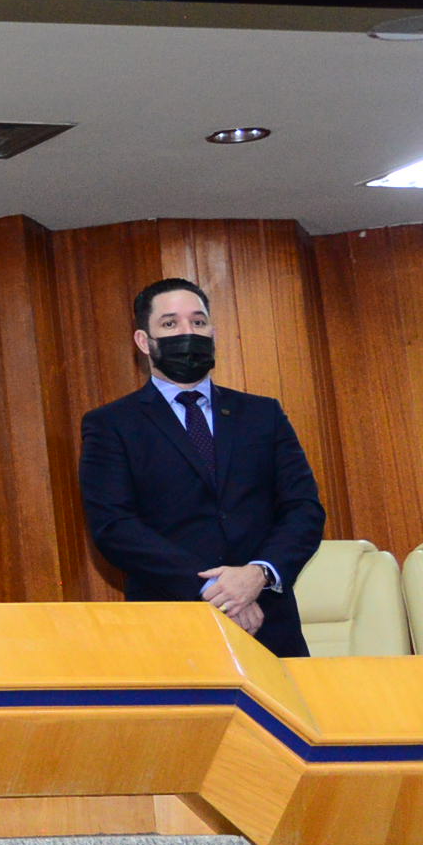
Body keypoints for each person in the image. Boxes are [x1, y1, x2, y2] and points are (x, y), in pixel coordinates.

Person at [78, 277, 324, 658]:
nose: (188, 332)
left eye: (198, 321)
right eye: (170, 324)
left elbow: (303, 508)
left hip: (270, 624)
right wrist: (217, 591)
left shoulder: (263, 415)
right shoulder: (111, 424)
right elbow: (115, 526)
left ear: (213, 332)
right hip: (170, 627)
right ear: (145, 341)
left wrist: (257, 574)